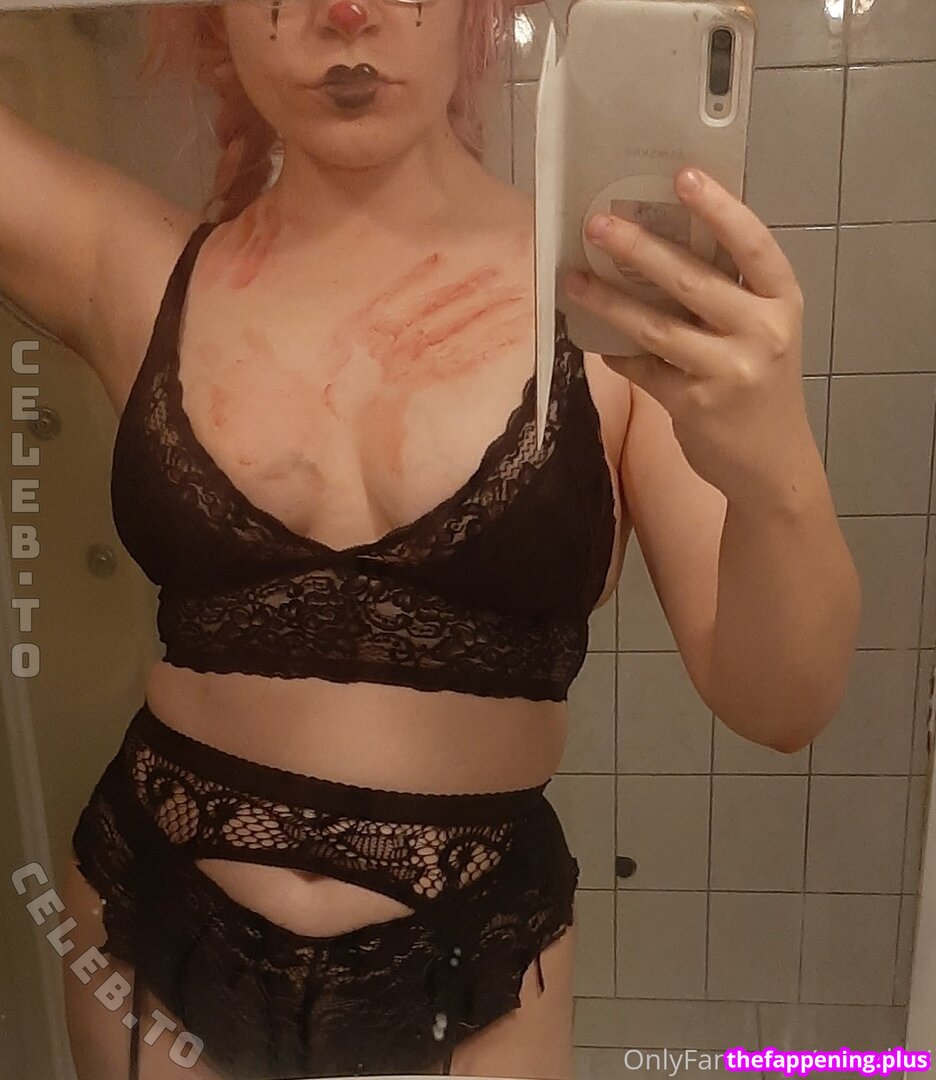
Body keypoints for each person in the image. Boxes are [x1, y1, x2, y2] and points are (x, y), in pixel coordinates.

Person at [0, 0, 860, 1075]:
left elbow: (782, 705)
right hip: (147, 917)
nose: (346, 15)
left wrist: (776, 466)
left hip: (476, 960)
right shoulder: (127, 265)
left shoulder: (615, 305)